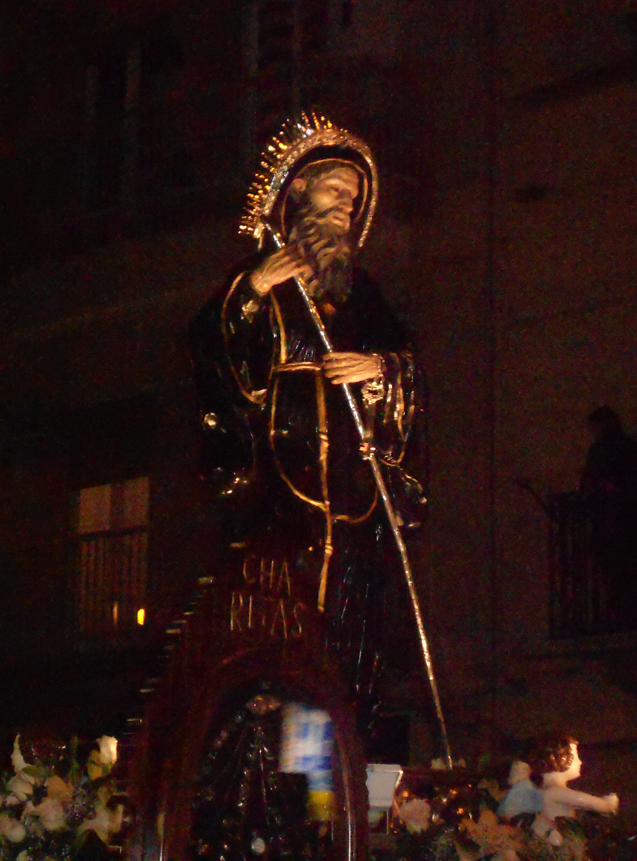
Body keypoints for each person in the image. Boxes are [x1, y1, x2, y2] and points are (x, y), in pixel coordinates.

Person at [190, 112, 425, 727]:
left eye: (355, 197)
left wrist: (377, 368)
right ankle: (273, 708)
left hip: (352, 484)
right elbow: (215, 360)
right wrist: (252, 294)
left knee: (353, 610)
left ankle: (348, 717)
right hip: (283, 475)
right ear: (298, 190)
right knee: (285, 599)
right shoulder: (258, 276)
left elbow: (406, 362)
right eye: (336, 189)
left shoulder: (362, 294)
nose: (348, 204)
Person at [580, 406, 637, 629]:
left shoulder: (600, 450)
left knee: (613, 575)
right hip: (628, 522)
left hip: (609, 522)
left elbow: (592, 481)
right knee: (628, 574)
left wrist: (598, 490)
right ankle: (629, 616)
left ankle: (617, 616)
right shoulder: (631, 447)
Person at [527, 733, 618, 846]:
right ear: (562, 758)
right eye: (576, 756)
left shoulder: (545, 791)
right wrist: (608, 804)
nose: (580, 762)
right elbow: (590, 803)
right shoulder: (554, 792)